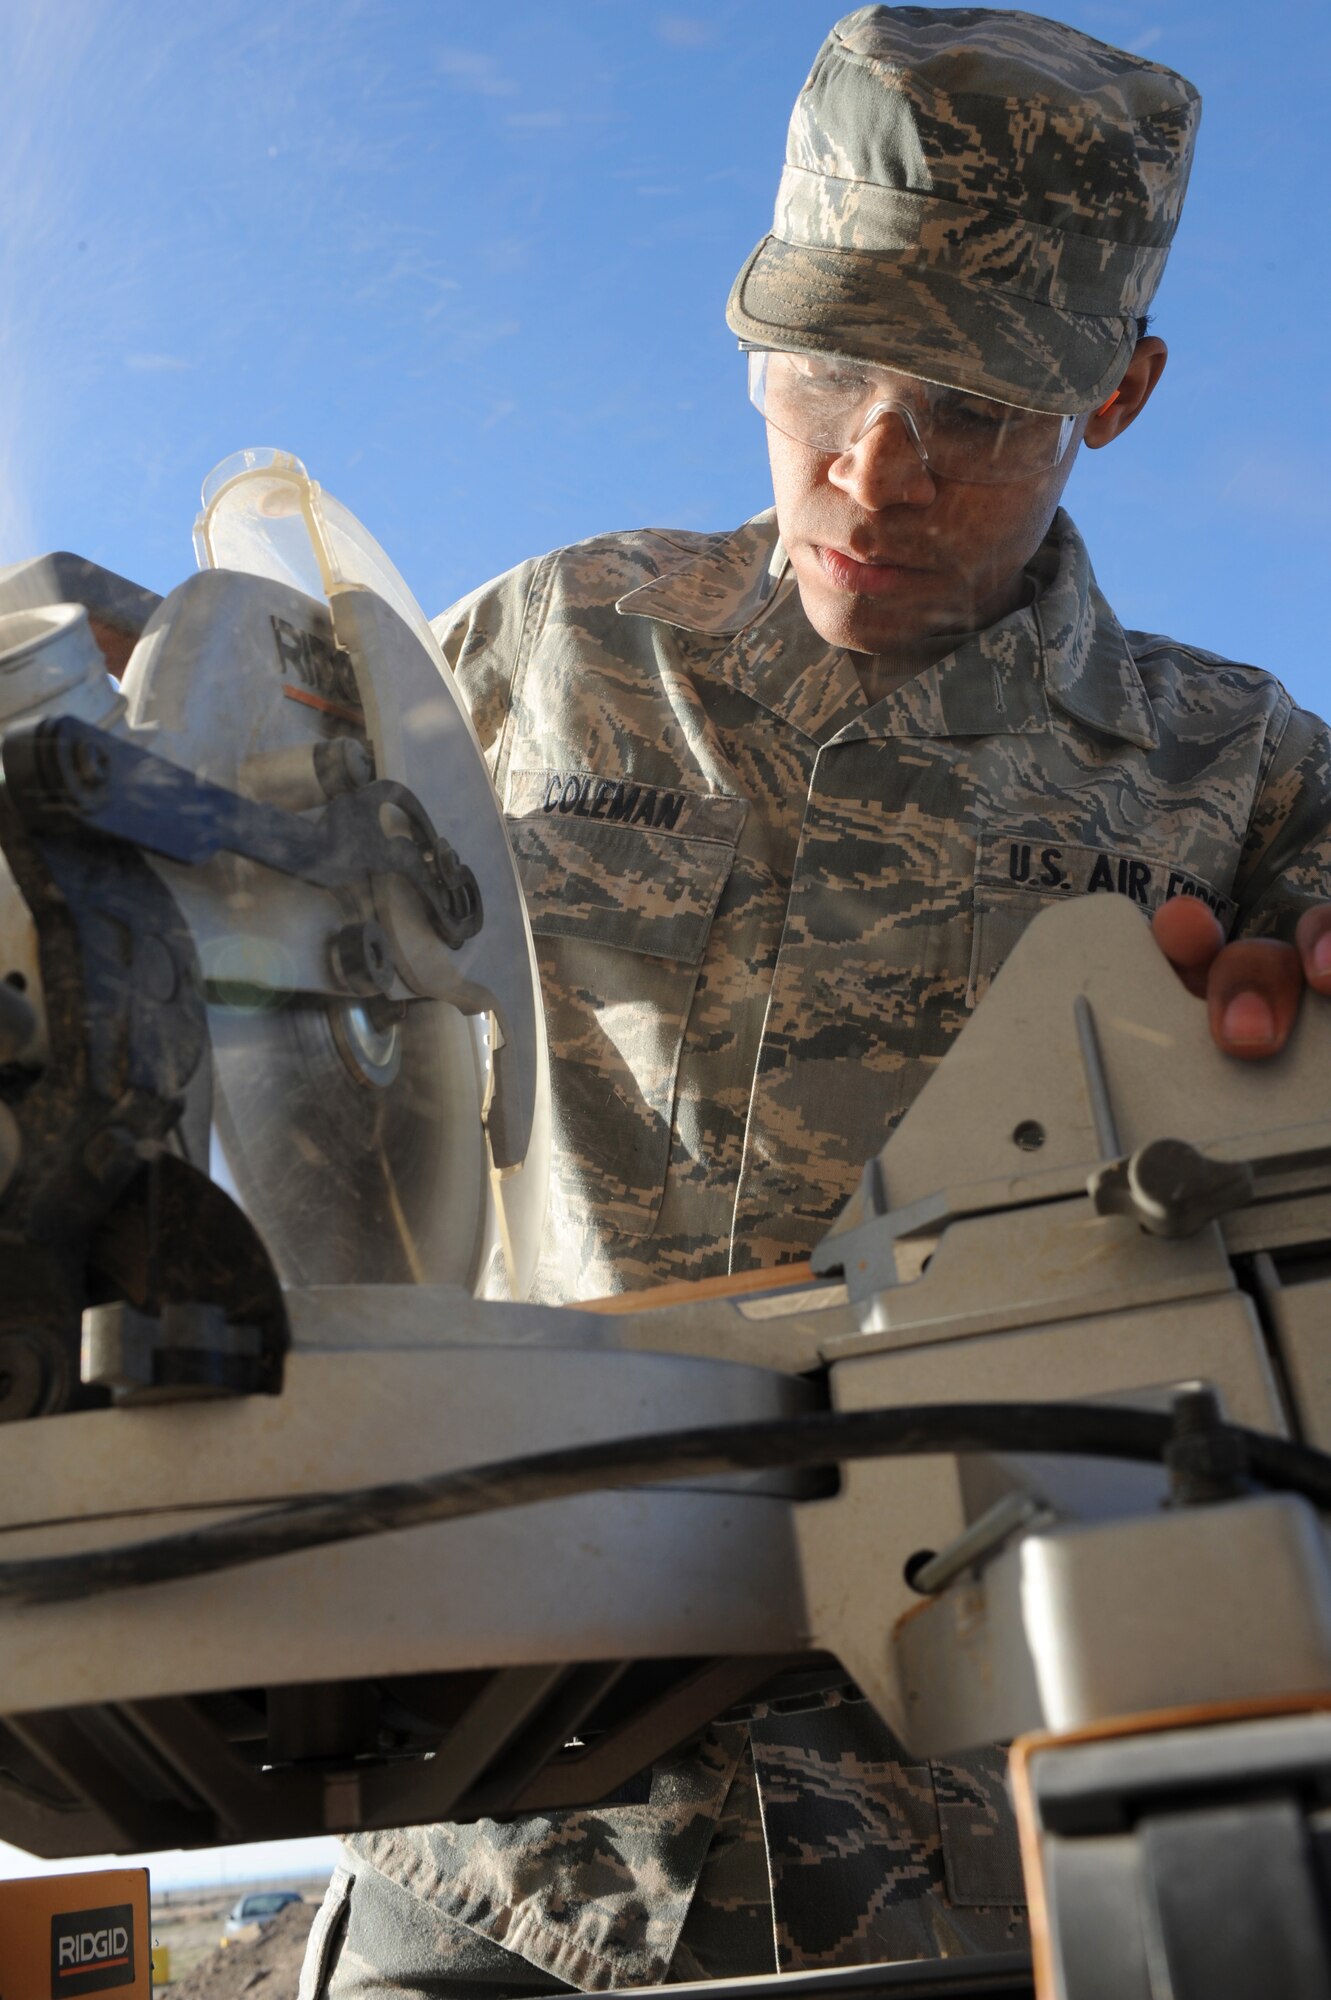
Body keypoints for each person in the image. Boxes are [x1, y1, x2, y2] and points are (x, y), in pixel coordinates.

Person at [300, 8, 1331, 1995]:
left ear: (1116, 396)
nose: (871, 464)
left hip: (1013, 1849)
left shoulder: (1253, 779)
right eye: (827, 364)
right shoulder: (537, 654)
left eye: (970, 401)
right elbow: (224, 949)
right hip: (499, 1832)